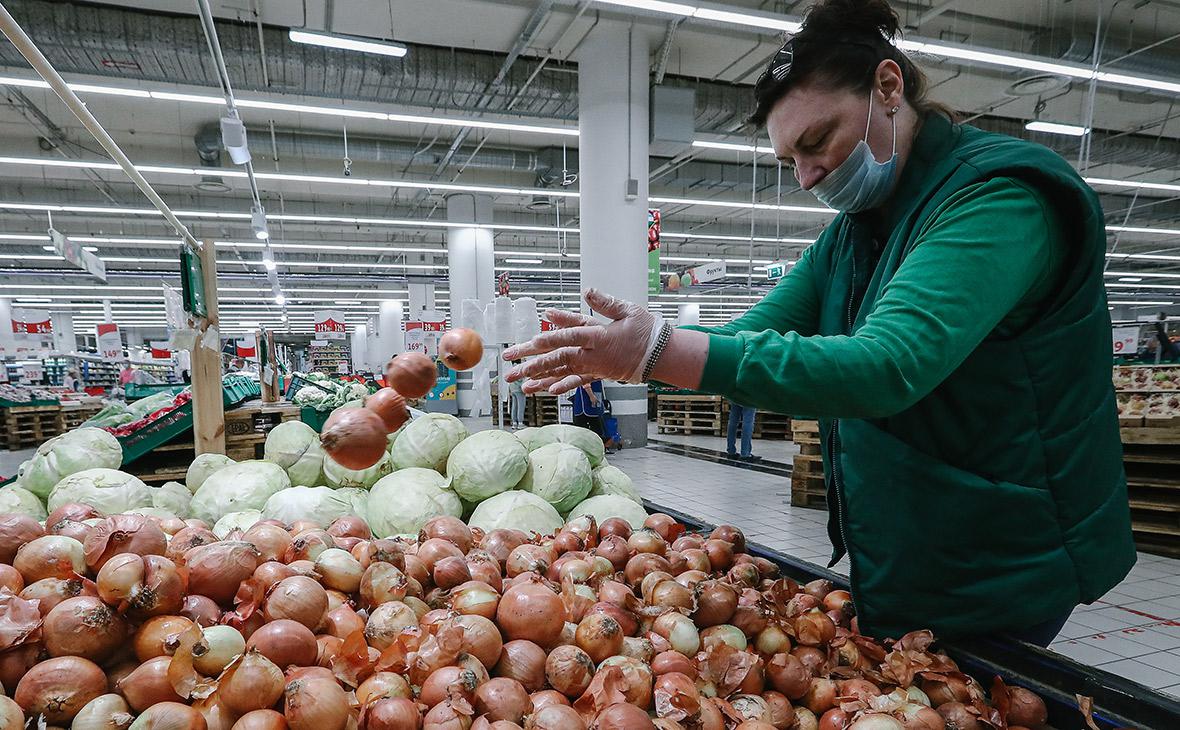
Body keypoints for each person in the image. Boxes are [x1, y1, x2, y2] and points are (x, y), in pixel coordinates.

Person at [503, 0, 1135, 645]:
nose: (806, 178)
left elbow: (888, 364)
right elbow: (748, 334)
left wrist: (659, 350)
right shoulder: (855, 234)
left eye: (816, 143)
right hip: (912, 537)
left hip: (1002, 550)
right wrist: (626, 351)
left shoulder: (999, 200)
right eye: (789, 161)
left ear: (888, 88)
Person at [508, 360, 527, 429]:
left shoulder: (510, 368)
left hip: (512, 389)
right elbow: (520, 379)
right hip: (519, 389)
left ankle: (514, 423)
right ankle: (520, 423)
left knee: (514, 406)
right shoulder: (518, 368)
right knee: (521, 406)